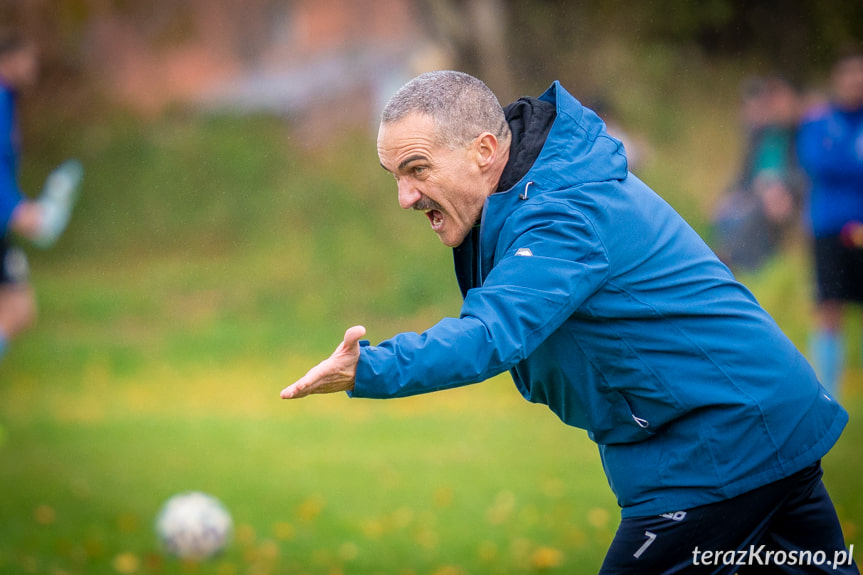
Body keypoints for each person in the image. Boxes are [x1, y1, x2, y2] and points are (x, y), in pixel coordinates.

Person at [281, 71, 856, 573]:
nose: (405, 197)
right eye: (396, 176)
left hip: (722, 447)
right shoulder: (526, 198)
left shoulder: (560, 213)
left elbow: (490, 333)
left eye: (416, 170)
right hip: (755, 428)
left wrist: (370, 367)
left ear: (484, 150)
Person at [0, 32, 82, 363]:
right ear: (10, 60)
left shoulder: (9, 99)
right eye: (28, 59)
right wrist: (15, 208)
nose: (34, 67)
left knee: (18, 309)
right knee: (18, 308)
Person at [797, 49, 863, 399]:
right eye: (849, 75)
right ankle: (827, 391)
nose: (856, 82)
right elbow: (816, 161)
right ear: (837, 81)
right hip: (829, 227)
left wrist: (843, 161)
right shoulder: (818, 121)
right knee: (829, 307)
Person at [712, 75, 804, 272]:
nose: (775, 105)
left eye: (780, 99)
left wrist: (782, 187)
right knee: (726, 212)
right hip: (756, 194)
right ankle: (732, 264)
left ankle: (731, 263)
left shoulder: (800, 135)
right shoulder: (760, 135)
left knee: (756, 212)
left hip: (786, 196)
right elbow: (744, 175)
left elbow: (806, 172)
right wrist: (727, 196)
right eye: (771, 99)